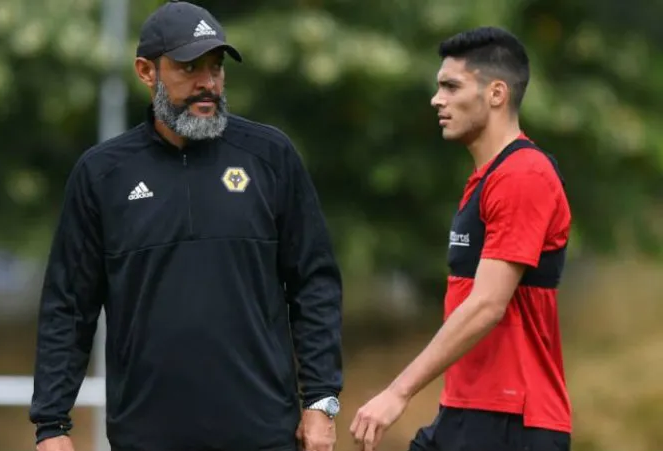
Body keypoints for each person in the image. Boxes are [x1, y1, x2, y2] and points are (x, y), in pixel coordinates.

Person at [28, 1, 344, 451]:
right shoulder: (101, 174)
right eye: (189, 68)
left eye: (216, 68)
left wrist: (321, 400)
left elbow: (315, 285)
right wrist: (52, 424)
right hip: (146, 438)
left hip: (264, 435)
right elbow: (69, 305)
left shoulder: (271, 156)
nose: (207, 83)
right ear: (146, 71)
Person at [349, 26, 572, 451]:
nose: (437, 99)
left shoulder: (524, 174)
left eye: (451, 86)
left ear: (496, 93)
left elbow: (487, 305)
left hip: (512, 421)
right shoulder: (486, 179)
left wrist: (397, 392)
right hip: (468, 411)